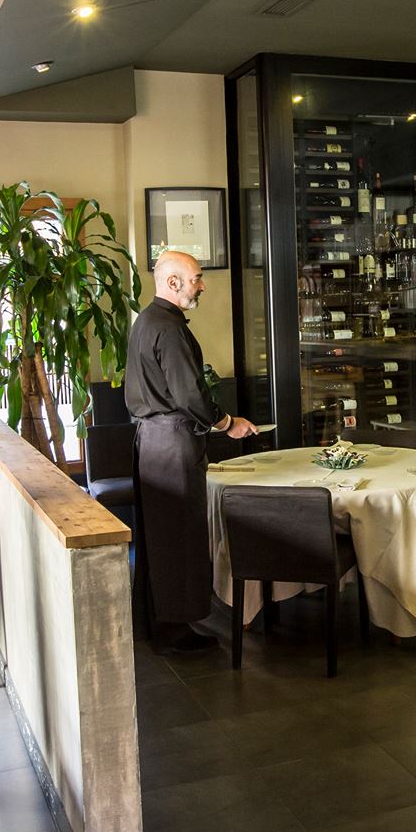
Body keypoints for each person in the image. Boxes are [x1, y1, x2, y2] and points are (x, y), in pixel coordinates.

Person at [126, 250, 256, 652]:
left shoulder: (146, 320)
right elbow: (190, 396)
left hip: (151, 442)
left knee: (159, 537)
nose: (202, 285)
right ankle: (175, 630)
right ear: (173, 282)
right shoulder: (168, 328)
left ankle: (159, 623)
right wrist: (227, 423)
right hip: (172, 444)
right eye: (197, 278)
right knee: (179, 538)